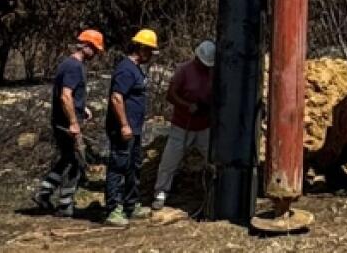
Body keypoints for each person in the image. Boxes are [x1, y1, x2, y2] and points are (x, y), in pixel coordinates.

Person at [34, 29, 104, 217]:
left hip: (63, 120)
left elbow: (70, 95)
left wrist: (82, 108)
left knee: (67, 159)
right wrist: (73, 122)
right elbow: (66, 96)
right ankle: (65, 205)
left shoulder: (69, 64)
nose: (96, 54)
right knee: (76, 162)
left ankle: (44, 192)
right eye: (95, 50)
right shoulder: (73, 66)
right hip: (66, 123)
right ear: (87, 46)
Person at [151, 39, 215, 210]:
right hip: (182, 125)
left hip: (204, 126)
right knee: (170, 160)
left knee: (213, 159)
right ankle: (161, 192)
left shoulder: (213, 73)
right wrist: (187, 105)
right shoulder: (184, 70)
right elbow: (171, 94)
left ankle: (214, 191)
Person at [104, 28, 157, 227]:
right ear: (140, 48)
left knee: (133, 167)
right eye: (149, 50)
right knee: (118, 166)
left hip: (134, 128)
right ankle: (113, 209)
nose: (151, 55)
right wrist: (124, 125)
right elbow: (117, 98)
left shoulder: (136, 69)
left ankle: (130, 204)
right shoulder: (125, 69)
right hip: (123, 129)